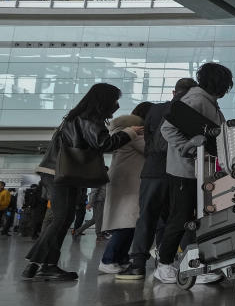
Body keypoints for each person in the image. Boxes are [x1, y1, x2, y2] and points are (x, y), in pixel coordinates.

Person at [22, 83, 142, 281]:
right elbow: (105, 144)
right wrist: (130, 132)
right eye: (115, 100)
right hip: (60, 172)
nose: (117, 106)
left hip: (58, 171)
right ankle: (42, 264)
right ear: (103, 101)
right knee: (61, 218)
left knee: (63, 218)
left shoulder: (76, 117)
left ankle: (39, 265)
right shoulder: (89, 119)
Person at [154, 63, 232, 284]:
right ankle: (165, 264)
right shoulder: (196, 100)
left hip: (201, 172)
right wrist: (187, 147)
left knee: (198, 218)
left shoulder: (210, 103)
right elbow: (167, 129)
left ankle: (197, 262)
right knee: (180, 218)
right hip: (185, 172)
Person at [117, 79, 197, 280]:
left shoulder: (155, 110)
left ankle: (137, 265)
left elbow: (149, 141)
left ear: (173, 91)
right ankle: (177, 262)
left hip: (154, 169)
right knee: (180, 217)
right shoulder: (192, 110)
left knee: (147, 216)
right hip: (179, 170)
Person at [98, 102, 153, 273]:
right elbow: (151, 149)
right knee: (126, 224)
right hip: (129, 183)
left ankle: (120, 259)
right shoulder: (135, 133)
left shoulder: (124, 131)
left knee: (130, 224)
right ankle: (108, 260)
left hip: (126, 182)